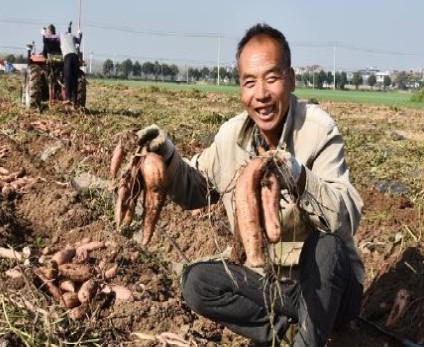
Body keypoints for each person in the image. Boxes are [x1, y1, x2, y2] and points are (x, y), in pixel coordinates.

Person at [135, 23, 364, 347]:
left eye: (271, 78)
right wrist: (167, 154)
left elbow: (347, 217)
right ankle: (287, 334)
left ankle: (308, 340)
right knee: (197, 282)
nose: (261, 94)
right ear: (241, 88)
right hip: (271, 285)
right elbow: (196, 189)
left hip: (332, 289)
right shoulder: (232, 136)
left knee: (327, 247)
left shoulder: (318, 130)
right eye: (249, 82)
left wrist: (298, 175)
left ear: (291, 79)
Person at [60, 21, 82, 105]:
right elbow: (79, 41)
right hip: (76, 57)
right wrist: (80, 34)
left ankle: (68, 98)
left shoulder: (61, 36)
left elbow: (52, 40)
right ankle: (74, 100)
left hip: (68, 57)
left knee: (67, 78)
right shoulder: (72, 36)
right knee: (74, 79)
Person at [41, 24, 63, 101]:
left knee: (45, 74)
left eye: (47, 31)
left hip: (51, 62)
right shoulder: (59, 39)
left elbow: (44, 54)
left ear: (50, 32)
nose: (46, 33)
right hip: (61, 61)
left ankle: (47, 96)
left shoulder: (47, 40)